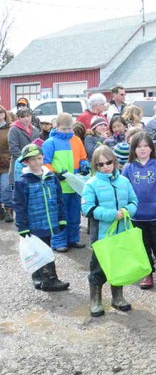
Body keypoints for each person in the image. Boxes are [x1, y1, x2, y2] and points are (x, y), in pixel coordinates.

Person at [81, 145, 138, 317]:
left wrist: (127, 211)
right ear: (95, 166)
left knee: (119, 266)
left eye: (109, 162)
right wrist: (112, 215)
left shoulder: (124, 182)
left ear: (115, 162)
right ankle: (96, 300)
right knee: (98, 269)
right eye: (100, 164)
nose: (105, 166)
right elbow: (87, 209)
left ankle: (117, 297)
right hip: (101, 235)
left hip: (121, 234)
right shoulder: (91, 184)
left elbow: (134, 201)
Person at [14, 144, 69, 291]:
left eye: (39, 158)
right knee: (42, 251)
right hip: (34, 225)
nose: (37, 162)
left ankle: (40, 277)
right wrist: (22, 226)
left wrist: (61, 218)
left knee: (45, 248)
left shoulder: (51, 177)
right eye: (33, 160)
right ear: (26, 162)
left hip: (49, 222)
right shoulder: (22, 181)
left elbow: (59, 199)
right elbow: (19, 206)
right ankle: (49, 280)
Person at [122, 133, 156, 288]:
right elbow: (124, 188)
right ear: (133, 149)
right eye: (139, 146)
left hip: (155, 216)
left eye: (146, 146)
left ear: (151, 148)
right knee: (142, 246)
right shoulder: (128, 168)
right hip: (136, 216)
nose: (143, 149)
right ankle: (147, 272)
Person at [42, 113, 89, 252]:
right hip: (59, 186)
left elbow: (82, 157)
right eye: (64, 129)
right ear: (57, 127)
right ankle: (58, 241)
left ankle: (73, 239)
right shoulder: (50, 143)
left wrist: (84, 165)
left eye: (70, 128)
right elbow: (45, 163)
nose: (68, 131)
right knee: (60, 216)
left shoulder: (77, 140)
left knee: (74, 214)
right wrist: (54, 174)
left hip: (75, 185)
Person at [9, 108, 41, 198]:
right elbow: (13, 148)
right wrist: (25, 159)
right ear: (18, 118)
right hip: (19, 164)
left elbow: (37, 146)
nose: (26, 119)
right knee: (20, 191)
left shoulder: (35, 130)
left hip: (34, 164)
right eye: (23, 117)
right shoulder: (14, 129)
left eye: (28, 116)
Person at [0, 105, 12, 222]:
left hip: (6, 163)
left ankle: (9, 209)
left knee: (5, 188)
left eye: (1, 113)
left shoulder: (10, 128)